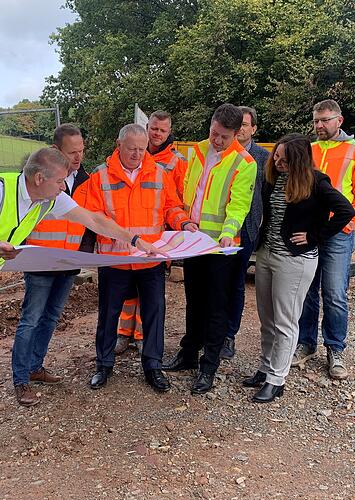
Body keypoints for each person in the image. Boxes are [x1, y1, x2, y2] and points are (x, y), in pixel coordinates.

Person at [0, 147, 164, 452]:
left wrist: (136, 240)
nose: (64, 187)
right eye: (60, 181)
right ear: (39, 178)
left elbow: (93, 219)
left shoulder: (47, 198)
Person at [85, 123, 197, 393]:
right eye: (131, 149)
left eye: (142, 149)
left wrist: (183, 223)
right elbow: (92, 215)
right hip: (115, 259)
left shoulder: (158, 173)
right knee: (109, 313)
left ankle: (152, 366)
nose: (137, 154)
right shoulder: (100, 176)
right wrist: (113, 235)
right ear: (119, 145)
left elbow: (171, 207)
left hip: (150, 259)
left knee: (154, 313)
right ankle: (104, 364)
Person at [242, 134, 353, 403]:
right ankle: (265, 368)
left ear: (299, 161)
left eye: (285, 160)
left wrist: (314, 236)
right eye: (276, 157)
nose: (278, 163)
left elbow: (345, 211)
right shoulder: (273, 179)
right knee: (267, 319)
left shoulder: (317, 182)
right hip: (267, 254)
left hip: (295, 260)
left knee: (285, 321)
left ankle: (276, 379)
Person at [162, 103, 256, 395]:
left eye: (224, 137)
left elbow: (239, 206)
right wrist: (184, 220)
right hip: (194, 241)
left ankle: (209, 365)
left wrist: (227, 234)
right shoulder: (198, 150)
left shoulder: (244, 163)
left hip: (220, 248)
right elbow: (188, 189)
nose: (216, 140)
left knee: (217, 307)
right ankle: (189, 353)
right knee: (194, 301)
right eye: (214, 133)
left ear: (236, 134)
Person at [10, 124, 95, 407]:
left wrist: (84, 255)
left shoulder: (86, 180)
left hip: (68, 263)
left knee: (50, 318)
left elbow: (91, 219)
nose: (78, 157)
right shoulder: (38, 179)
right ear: (56, 151)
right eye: (72, 152)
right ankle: (21, 379)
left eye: (82, 151)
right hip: (40, 261)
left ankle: (35, 366)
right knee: (31, 319)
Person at [294, 99, 355, 380]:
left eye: (325, 120)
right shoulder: (309, 149)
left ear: (339, 121)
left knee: (334, 293)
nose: (319, 125)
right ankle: (306, 344)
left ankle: (335, 348)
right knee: (306, 290)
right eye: (316, 121)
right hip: (310, 231)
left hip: (338, 234)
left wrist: (349, 224)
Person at [115, 110, 188, 355]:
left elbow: (175, 201)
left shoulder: (176, 161)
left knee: (148, 294)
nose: (157, 134)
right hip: (129, 237)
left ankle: (141, 335)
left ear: (169, 132)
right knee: (128, 292)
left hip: (156, 237)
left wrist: (177, 228)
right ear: (147, 128)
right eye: (154, 128)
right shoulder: (131, 152)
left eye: (162, 130)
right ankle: (123, 333)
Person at [220, 106, 270, 360]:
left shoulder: (263, 158)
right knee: (214, 283)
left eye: (245, 125)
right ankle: (210, 333)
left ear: (254, 129)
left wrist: (264, 231)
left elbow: (267, 197)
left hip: (247, 231)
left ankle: (229, 335)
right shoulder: (218, 153)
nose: (240, 129)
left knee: (235, 284)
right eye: (237, 124)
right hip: (217, 230)